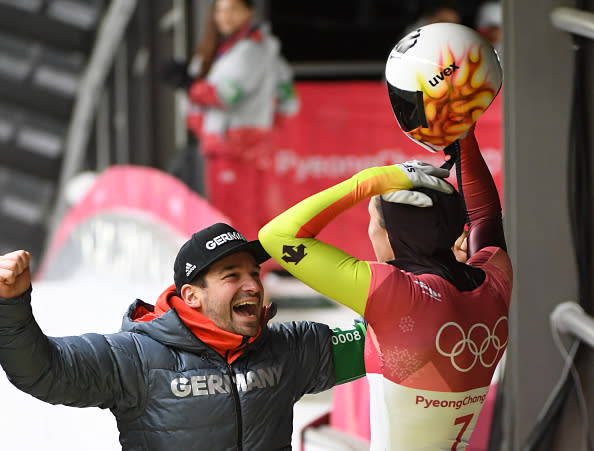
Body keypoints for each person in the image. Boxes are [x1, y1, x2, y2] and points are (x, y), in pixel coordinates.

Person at [258, 23, 512, 450]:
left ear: (395, 236)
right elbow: (484, 211)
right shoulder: (491, 284)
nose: (368, 223)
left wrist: (371, 180)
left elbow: (276, 235)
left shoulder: (394, 294)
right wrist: (460, 130)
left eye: (373, 215)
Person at [0, 222, 368, 450]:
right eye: (232, 276)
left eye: (254, 274)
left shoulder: (287, 348)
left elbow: (389, 340)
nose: (252, 286)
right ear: (192, 296)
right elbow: (44, 372)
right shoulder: (134, 356)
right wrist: (11, 304)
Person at [184, 0, 299, 242]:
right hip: (223, 144)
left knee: (236, 215)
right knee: (233, 212)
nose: (226, 16)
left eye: (233, 9)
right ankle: (248, 269)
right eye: (220, 10)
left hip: (236, 145)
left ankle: (245, 270)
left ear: (249, 12)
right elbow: (287, 98)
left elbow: (227, 95)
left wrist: (190, 87)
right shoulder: (222, 49)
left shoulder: (252, 50)